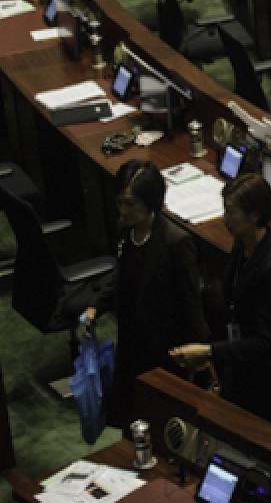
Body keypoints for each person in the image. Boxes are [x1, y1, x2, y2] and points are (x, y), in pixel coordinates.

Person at [171, 174, 271, 441]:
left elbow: (268, 341)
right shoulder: (242, 246)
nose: (225, 218)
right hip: (245, 369)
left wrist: (210, 352)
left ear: (254, 215)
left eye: (231, 211)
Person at [83, 160, 209, 430]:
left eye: (131, 204)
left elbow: (190, 303)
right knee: (131, 416)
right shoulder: (125, 231)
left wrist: (198, 352)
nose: (124, 211)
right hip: (132, 340)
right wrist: (97, 306)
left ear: (151, 202)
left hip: (165, 347)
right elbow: (121, 275)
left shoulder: (176, 243)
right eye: (120, 203)